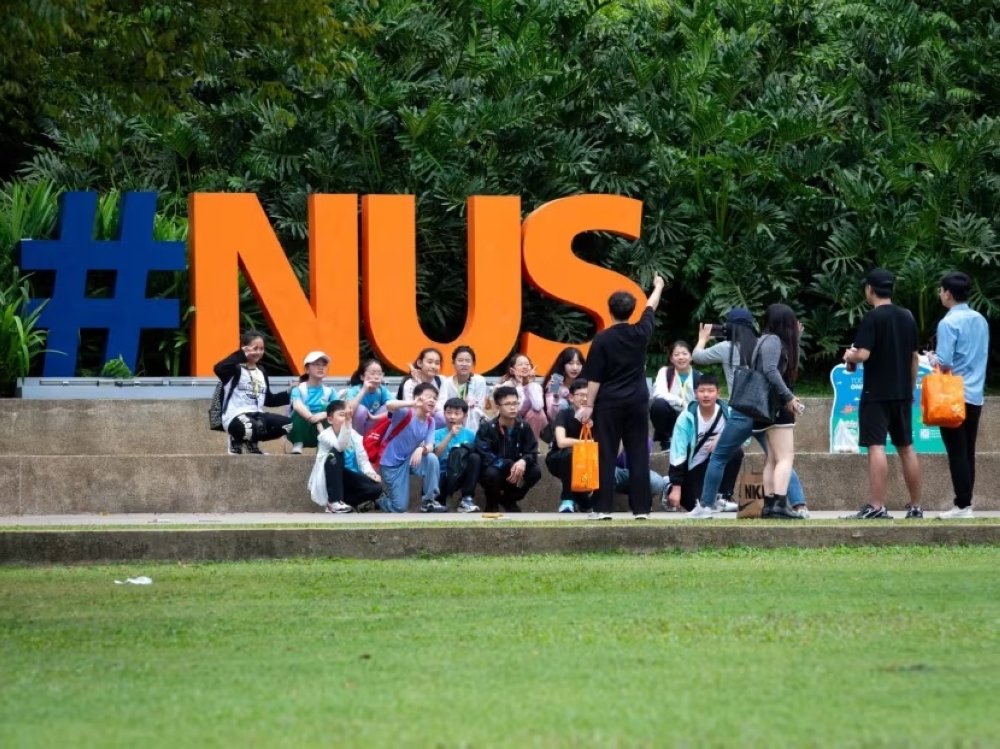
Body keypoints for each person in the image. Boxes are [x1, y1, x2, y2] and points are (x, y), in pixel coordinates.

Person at [688, 309, 809, 516]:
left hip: (742, 409)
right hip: (764, 409)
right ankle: (799, 505)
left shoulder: (727, 347)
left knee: (718, 457)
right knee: (780, 457)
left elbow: (697, 357)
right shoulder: (761, 344)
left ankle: (706, 505)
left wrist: (702, 339)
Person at [577, 274, 665, 520]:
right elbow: (651, 306)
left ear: (609, 310)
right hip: (637, 402)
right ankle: (642, 510)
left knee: (606, 454)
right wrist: (658, 286)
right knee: (638, 454)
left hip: (609, 404)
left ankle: (603, 508)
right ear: (632, 310)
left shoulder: (602, 339)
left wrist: (588, 406)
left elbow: (594, 379)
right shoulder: (641, 332)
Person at [842, 269, 923, 519]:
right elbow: (914, 358)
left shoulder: (872, 318)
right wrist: (909, 392)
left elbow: (863, 354)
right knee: (907, 448)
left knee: (877, 446)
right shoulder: (907, 316)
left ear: (869, 289)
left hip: (876, 393)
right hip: (901, 394)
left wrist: (849, 355)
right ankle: (916, 506)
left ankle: (877, 506)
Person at [931, 272, 989, 519]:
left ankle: (962, 505)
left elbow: (943, 361)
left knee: (956, 452)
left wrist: (930, 357)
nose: (940, 294)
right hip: (975, 394)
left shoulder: (948, 323)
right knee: (968, 451)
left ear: (948, 293)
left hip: (952, 396)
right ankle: (966, 503)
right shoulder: (980, 320)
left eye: (941, 290)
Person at [749, 305, 804, 520]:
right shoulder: (773, 341)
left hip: (765, 405)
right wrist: (788, 397)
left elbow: (777, 365)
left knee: (772, 458)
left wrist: (796, 340)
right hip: (776, 405)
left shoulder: (764, 340)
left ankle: (770, 505)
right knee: (785, 457)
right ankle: (780, 504)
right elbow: (772, 370)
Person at [665, 374, 742, 512]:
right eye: (702, 391)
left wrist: (722, 437)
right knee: (693, 506)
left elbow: (744, 437)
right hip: (693, 468)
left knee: (735, 450)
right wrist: (676, 487)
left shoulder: (728, 413)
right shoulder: (686, 417)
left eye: (710, 391)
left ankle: (723, 497)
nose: (706, 395)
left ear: (718, 393)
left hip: (715, 463)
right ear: (696, 393)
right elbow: (678, 452)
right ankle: (669, 485)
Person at [214, 329, 291, 454]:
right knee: (249, 427)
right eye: (255, 348)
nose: (258, 352)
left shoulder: (261, 371)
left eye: (261, 349)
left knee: (289, 425)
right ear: (244, 348)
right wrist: (241, 354)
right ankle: (236, 439)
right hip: (235, 416)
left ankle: (251, 441)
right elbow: (218, 368)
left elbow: (268, 399)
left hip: (258, 416)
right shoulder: (234, 370)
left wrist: (289, 393)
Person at [377, 382, 445, 513]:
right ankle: (379, 500)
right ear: (418, 397)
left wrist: (421, 449)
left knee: (431, 458)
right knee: (400, 508)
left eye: (434, 398)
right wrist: (412, 403)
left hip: (410, 460)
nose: (432, 400)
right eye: (428, 396)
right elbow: (389, 405)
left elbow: (430, 445)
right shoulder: (405, 413)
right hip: (391, 463)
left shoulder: (430, 421)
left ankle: (428, 500)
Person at [308, 400, 383, 514]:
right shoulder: (325, 436)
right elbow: (340, 446)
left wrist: (371, 473)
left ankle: (347, 503)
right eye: (342, 415)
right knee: (336, 454)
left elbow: (363, 459)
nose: (346, 418)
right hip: (333, 478)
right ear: (330, 420)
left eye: (348, 415)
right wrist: (347, 422)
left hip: (350, 477)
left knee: (376, 488)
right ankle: (333, 501)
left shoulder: (354, 435)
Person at [476, 385, 542, 512]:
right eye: (507, 404)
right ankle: (492, 502)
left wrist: (523, 461)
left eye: (515, 403)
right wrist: (509, 464)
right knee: (491, 474)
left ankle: (510, 499)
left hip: (518, 470)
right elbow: (485, 454)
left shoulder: (524, 427)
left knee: (535, 471)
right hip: (497, 470)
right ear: (497, 407)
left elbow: (532, 451)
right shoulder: (487, 428)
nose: (512, 407)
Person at [543, 378, 593, 514]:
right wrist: (584, 443)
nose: (584, 399)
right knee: (571, 453)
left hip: (588, 462)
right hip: (559, 459)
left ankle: (583, 502)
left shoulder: (596, 416)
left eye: (588, 396)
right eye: (581, 395)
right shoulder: (564, 414)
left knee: (588, 504)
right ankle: (567, 500)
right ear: (571, 398)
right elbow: (561, 442)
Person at [649, 340, 702, 451]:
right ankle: (666, 441)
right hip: (671, 414)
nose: (681, 357)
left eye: (684, 354)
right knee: (658, 405)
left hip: (689, 417)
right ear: (671, 359)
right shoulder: (665, 372)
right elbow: (659, 393)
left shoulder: (698, 376)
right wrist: (681, 402)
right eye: (676, 355)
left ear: (691, 357)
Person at [433, 397, 482, 513]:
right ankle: (439, 500)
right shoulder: (437, 433)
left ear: (465, 417)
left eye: (457, 413)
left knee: (475, 457)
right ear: (444, 414)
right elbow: (436, 455)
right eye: (448, 413)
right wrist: (450, 434)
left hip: (461, 474)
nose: (452, 417)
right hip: (443, 475)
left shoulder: (470, 434)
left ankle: (466, 499)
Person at [288, 351, 335, 454]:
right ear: (307, 369)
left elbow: (338, 408)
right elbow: (297, 405)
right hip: (301, 428)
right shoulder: (299, 389)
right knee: (303, 408)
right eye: (316, 364)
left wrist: (323, 414)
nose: (321, 367)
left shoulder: (330, 391)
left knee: (330, 408)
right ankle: (298, 442)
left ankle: (322, 444)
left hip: (321, 429)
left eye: (324, 365)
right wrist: (311, 418)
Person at [436, 346, 490, 433]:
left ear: (473, 364)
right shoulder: (447, 382)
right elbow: (443, 403)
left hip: (472, 418)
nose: (464, 364)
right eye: (460, 360)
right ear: (453, 363)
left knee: (474, 410)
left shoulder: (479, 381)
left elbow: (479, 406)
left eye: (468, 361)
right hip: (452, 417)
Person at [495, 353, 548, 440]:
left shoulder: (535, 386)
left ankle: (531, 446)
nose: (525, 367)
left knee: (538, 414)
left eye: (527, 364)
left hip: (530, 426)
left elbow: (538, 406)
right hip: (509, 423)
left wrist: (530, 384)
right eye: (520, 364)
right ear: (512, 370)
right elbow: (515, 409)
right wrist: (519, 386)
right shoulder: (507, 385)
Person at [614, 439, 670, 510]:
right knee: (605, 471)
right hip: (615, 473)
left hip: (633, 474)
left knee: (656, 481)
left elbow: (641, 467)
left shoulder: (643, 438)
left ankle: (642, 502)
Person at [343, 358, 392, 435]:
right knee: (361, 410)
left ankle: (375, 440)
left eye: (379, 374)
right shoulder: (354, 390)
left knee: (388, 407)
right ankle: (357, 442)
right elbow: (348, 411)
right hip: (355, 430)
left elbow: (395, 408)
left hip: (373, 427)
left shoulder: (382, 390)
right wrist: (364, 390)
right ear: (362, 377)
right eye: (372, 373)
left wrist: (374, 417)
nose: (376, 377)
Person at [398, 348, 446, 427]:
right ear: (420, 363)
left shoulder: (441, 380)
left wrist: (430, 410)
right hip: (413, 419)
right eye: (429, 362)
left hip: (433, 416)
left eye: (437, 363)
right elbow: (410, 406)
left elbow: (442, 402)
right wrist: (417, 382)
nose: (433, 366)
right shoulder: (409, 383)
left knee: (442, 417)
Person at [542, 347, 586, 422]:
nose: (575, 368)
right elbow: (552, 415)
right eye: (570, 363)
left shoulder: (585, 381)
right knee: (562, 403)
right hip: (558, 424)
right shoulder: (556, 381)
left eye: (578, 364)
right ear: (563, 364)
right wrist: (556, 398)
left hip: (582, 422)